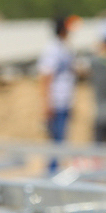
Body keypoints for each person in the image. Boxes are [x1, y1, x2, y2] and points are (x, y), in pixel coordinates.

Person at [38, 15, 78, 174]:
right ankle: (51, 174)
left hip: (64, 101)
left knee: (60, 142)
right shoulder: (53, 49)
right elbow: (45, 77)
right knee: (56, 143)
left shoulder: (63, 47)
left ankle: (54, 172)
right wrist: (47, 103)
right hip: (56, 102)